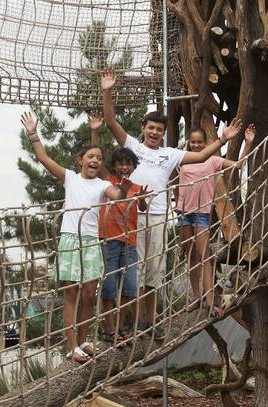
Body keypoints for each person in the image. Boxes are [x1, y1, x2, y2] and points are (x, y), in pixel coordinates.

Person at [100, 67, 243, 340]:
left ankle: (150, 322)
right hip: (132, 218)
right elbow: (110, 122)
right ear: (143, 129)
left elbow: (201, 158)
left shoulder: (169, 154)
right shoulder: (133, 146)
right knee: (135, 272)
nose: (154, 133)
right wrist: (107, 91)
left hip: (156, 217)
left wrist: (222, 140)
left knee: (154, 272)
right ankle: (132, 323)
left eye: (159, 130)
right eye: (151, 128)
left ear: (164, 134)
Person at [20, 111, 132, 363]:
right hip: (71, 240)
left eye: (99, 158)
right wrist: (32, 132)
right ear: (80, 160)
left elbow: (119, 197)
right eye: (90, 156)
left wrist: (124, 187)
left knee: (90, 295)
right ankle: (71, 347)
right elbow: (43, 158)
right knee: (71, 294)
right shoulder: (70, 178)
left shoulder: (102, 185)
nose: (95, 160)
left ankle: (83, 341)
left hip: (91, 242)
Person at [175, 126, 255, 317]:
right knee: (190, 256)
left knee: (205, 256)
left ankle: (211, 302)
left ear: (206, 144)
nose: (195, 145)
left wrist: (248, 142)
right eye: (192, 142)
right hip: (184, 213)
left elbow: (239, 165)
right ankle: (197, 297)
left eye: (199, 142)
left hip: (201, 214)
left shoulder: (212, 160)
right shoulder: (183, 160)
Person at [90, 113, 151, 344]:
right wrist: (96, 130)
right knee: (108, 285)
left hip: (130, 241)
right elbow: (96, 156)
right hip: (108, 239)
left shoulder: (135, 187)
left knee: (129, 287)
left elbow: (142, 209)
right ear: (114, 166)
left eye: (128, 163)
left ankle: (122, 326)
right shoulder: (108, 181)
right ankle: (109, 329)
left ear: (134, 167)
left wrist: (143, 199)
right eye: (120, 163)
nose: (124, 166)